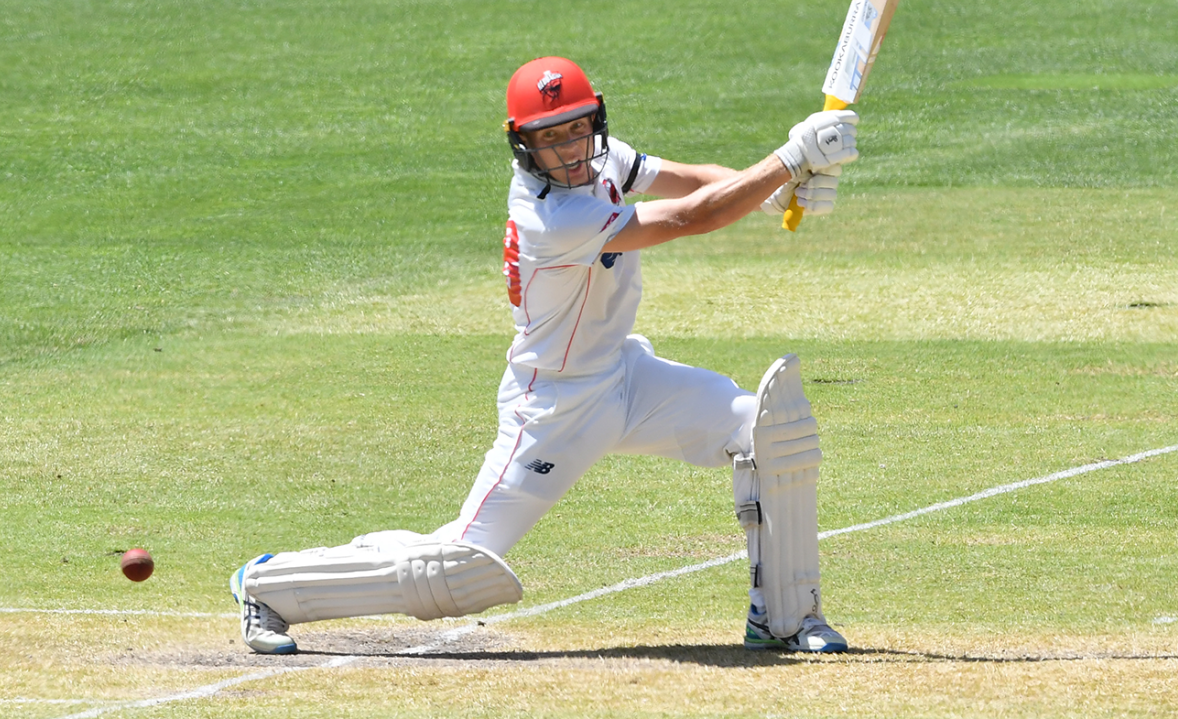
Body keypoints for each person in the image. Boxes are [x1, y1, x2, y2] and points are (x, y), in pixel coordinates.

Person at [229, 56, 857, 655]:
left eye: (578, 129)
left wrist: (778, 189)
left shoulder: (604, 158)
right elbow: (689, 217)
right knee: (458, 567)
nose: (568, 149)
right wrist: (787, 160)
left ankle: (784, 617)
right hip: (554, 404)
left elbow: (692, 180)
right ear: (522, 143)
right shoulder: (552, 218)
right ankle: (268, 584)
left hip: (626, 377)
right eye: (549, 137)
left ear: (595, 122)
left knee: (766, 430)